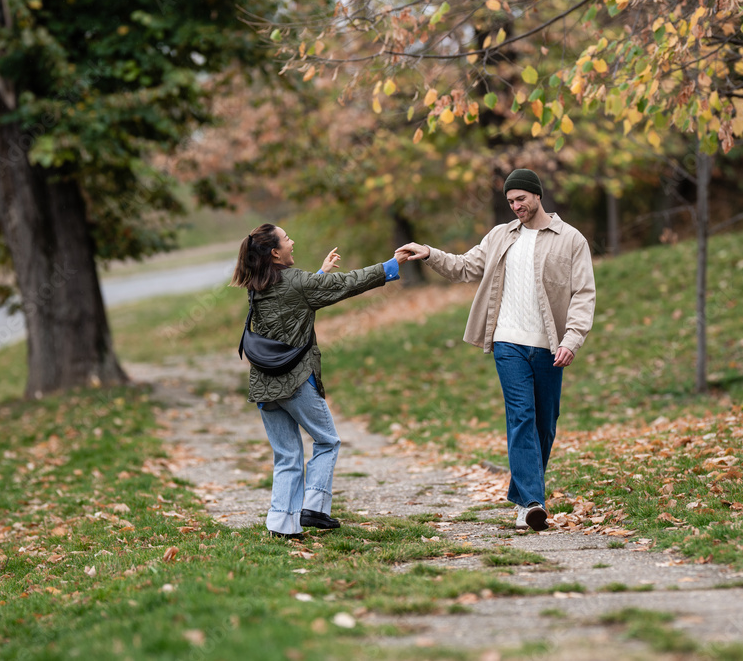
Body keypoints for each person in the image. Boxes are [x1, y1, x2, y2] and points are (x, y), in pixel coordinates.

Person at [395, 168, 596, 532]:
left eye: (521, 199)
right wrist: (429, 253)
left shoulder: (570, 239)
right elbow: (464, 267)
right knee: (521, 416)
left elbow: (583, 294)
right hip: (508, 341)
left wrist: (572, 339)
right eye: (510, 201)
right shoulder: (501, 236)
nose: (516, 206)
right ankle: (533, 502)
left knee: (545, 424)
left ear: (537, 195)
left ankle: (523, 498)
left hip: (550, 346)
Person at [231, 223, 404, 540]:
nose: (292, 241)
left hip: (265, 385)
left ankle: (282, 525)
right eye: (286, 239)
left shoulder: (257, 285)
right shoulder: (296, 282)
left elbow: (299, 300)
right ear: (275, 252)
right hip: (296, 380)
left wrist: (320, 273)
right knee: (327, 441)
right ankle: (314, 507)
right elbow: (347, 283)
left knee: (287, 456)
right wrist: (390, 266)